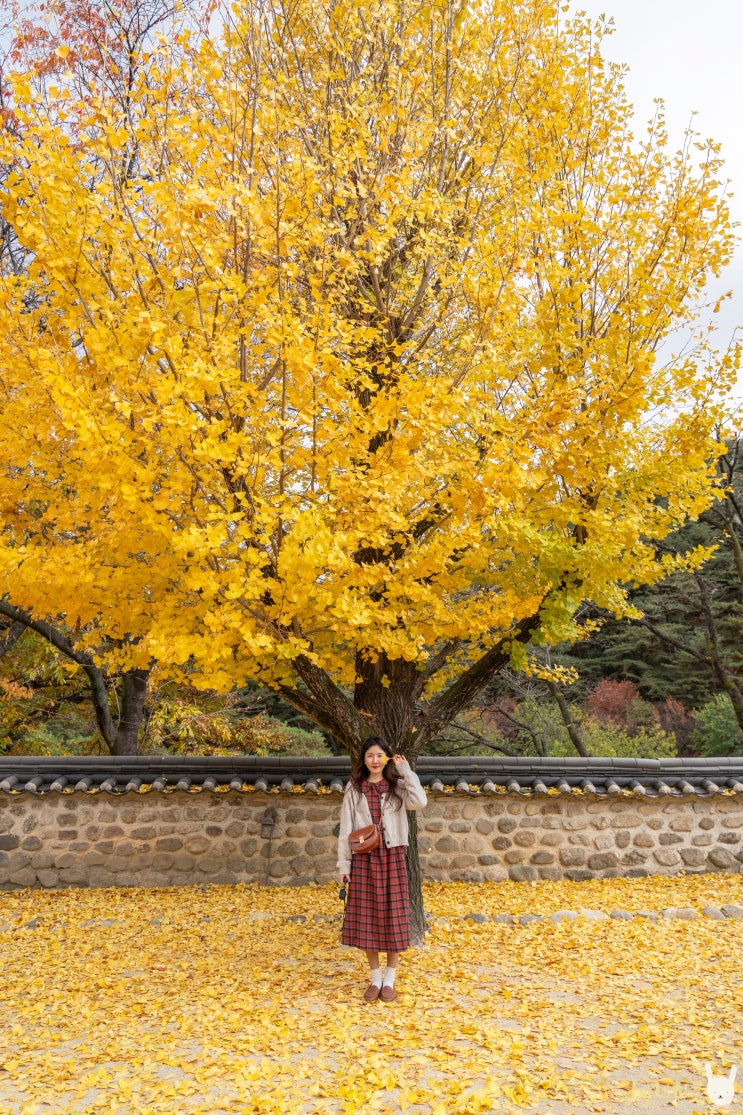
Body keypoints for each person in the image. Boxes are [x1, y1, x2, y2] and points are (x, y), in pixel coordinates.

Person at [337, 736, 427, 1002]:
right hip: (364, 860)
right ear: (363, 760)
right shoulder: (354, 789)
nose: (374, 761)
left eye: (379, 755)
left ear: (386, 758)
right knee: (368, 920)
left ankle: (390, 980)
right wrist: (344, 865)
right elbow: (345, 829)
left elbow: (420, 801)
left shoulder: (398, 786)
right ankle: (375, 979)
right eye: (369, 756)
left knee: (394, 919)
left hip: (393, 858)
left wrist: (405, 770)